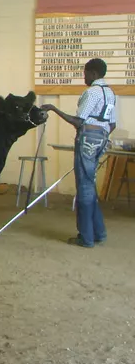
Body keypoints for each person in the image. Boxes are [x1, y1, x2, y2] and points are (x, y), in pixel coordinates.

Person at [41, 57, 117, 248]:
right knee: (90, 186)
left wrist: (53, 108)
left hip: (87, 139)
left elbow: (79, 121)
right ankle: (98, 232)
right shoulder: (110, 93)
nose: (84, 77)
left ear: (93, 73)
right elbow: (112, 124)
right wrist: (100, 135)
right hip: (102, 138)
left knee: (84, 186)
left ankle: (86, 237)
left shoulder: (91, 92)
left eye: (85, 73)